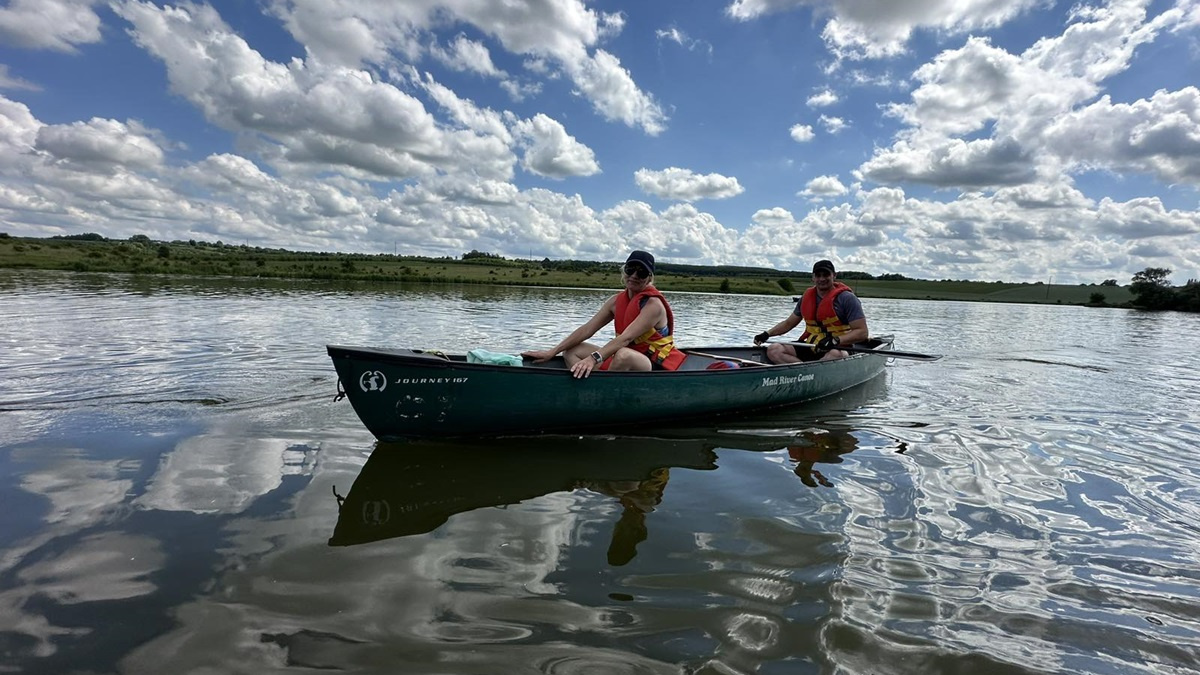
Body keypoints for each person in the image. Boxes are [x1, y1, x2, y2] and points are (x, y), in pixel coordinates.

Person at [522, 250, 686, 378]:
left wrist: (593, 359)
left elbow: (626, 338)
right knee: (572, 350)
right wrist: (552, 351)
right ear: (624, 271)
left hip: (651, 363)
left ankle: (601, 391)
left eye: (641, 272)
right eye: (630, 269)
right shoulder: (616, 301)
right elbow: (587, 329)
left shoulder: (653, 305)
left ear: (649, 278)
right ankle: (585, 383)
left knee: (623, 355)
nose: (634, 276)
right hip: (624, 357)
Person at [752, 259, 868, 363]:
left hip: (839, 347)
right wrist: (766, 334)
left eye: (826, 275)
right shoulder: (806, 298)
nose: (822, 279)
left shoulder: (847, 299)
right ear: (813, 278)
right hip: (813, 345)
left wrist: (835, 341)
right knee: (774, 349)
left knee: (835, 354)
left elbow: (862, 332)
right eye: (818, 275)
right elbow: (788, 323)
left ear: (834, 276)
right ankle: (801, 371)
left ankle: (811, 373)